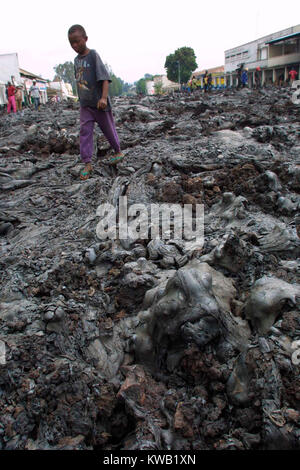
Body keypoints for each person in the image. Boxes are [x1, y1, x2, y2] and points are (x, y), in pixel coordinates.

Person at [68, 24, 123, 180]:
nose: (74, 45)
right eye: (71, 43)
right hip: (85, 105)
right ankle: (87, 163)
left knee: (108, 129)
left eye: (77, 41)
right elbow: (80, 80)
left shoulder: (93, 55)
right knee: (85, 132)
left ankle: (118, 151)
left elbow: (105, 78)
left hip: (100, 104)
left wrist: (104, 98)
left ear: (85, 39)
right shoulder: (76, 60)